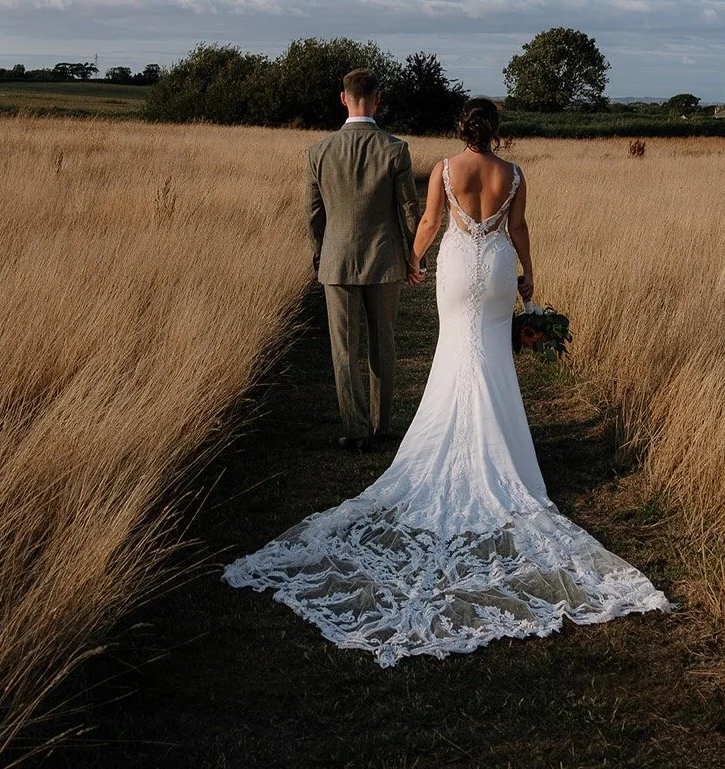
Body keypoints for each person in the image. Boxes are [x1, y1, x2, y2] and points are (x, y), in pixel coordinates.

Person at [224, 97, 671, 664]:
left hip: (458, 266)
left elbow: (432, 222)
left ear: (462, 131)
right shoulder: (513, 173)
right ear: (496, 133)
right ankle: (501, 451)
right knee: (491, 357)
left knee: (455, 351)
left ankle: (454, 441)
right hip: (499, 268)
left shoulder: (443, 169)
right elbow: (519, 226)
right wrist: (530, 277)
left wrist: (414, 261)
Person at [305, 68, 421, 452]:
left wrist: (319, 255)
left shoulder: (319, 151)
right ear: (378, 98)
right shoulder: (394, 149)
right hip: (385, 260)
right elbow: (408, 211)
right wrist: (414, 257)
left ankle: (354, 429)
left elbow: (313, 214)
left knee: (343, 349)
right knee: (382, 344)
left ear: (343, 98)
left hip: (336, 261)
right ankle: (381, 425)